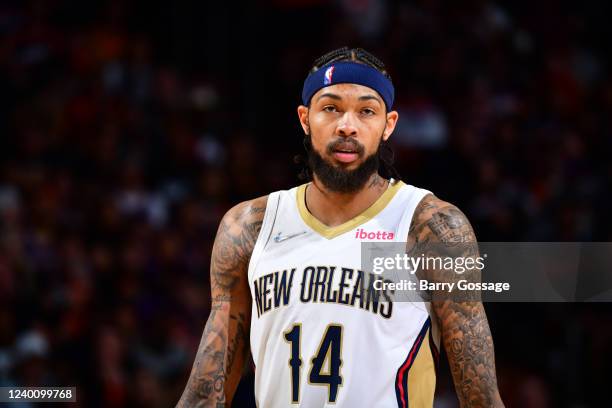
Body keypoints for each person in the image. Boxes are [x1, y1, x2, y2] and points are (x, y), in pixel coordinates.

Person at [176, 47, 504, 407]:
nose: (347, 125)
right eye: (331, 108)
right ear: (305, 118)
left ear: (388, 125)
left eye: (366, 111)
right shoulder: (249, 226)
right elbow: (206, 391)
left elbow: (481, 396)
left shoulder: (430, 227)